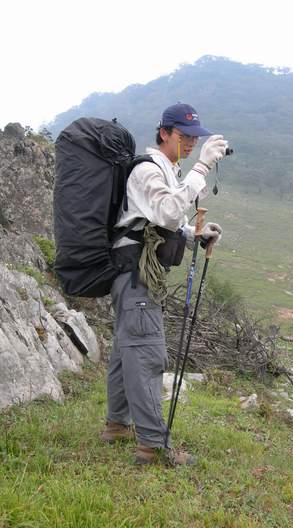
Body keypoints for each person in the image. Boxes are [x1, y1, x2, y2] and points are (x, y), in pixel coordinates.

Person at [100, 103, 229, 466]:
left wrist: (193, 236)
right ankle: (153, 447)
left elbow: (157, 222)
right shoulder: (148, 169)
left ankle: (117, 425)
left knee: (126, 350)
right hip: (136, 276)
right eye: (184, 136)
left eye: (195, 138)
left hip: (136, 274)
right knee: (146, 352)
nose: (191, 143)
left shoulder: (167, 171)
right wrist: (202, 167)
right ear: (164, 133)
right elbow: (168, 212)